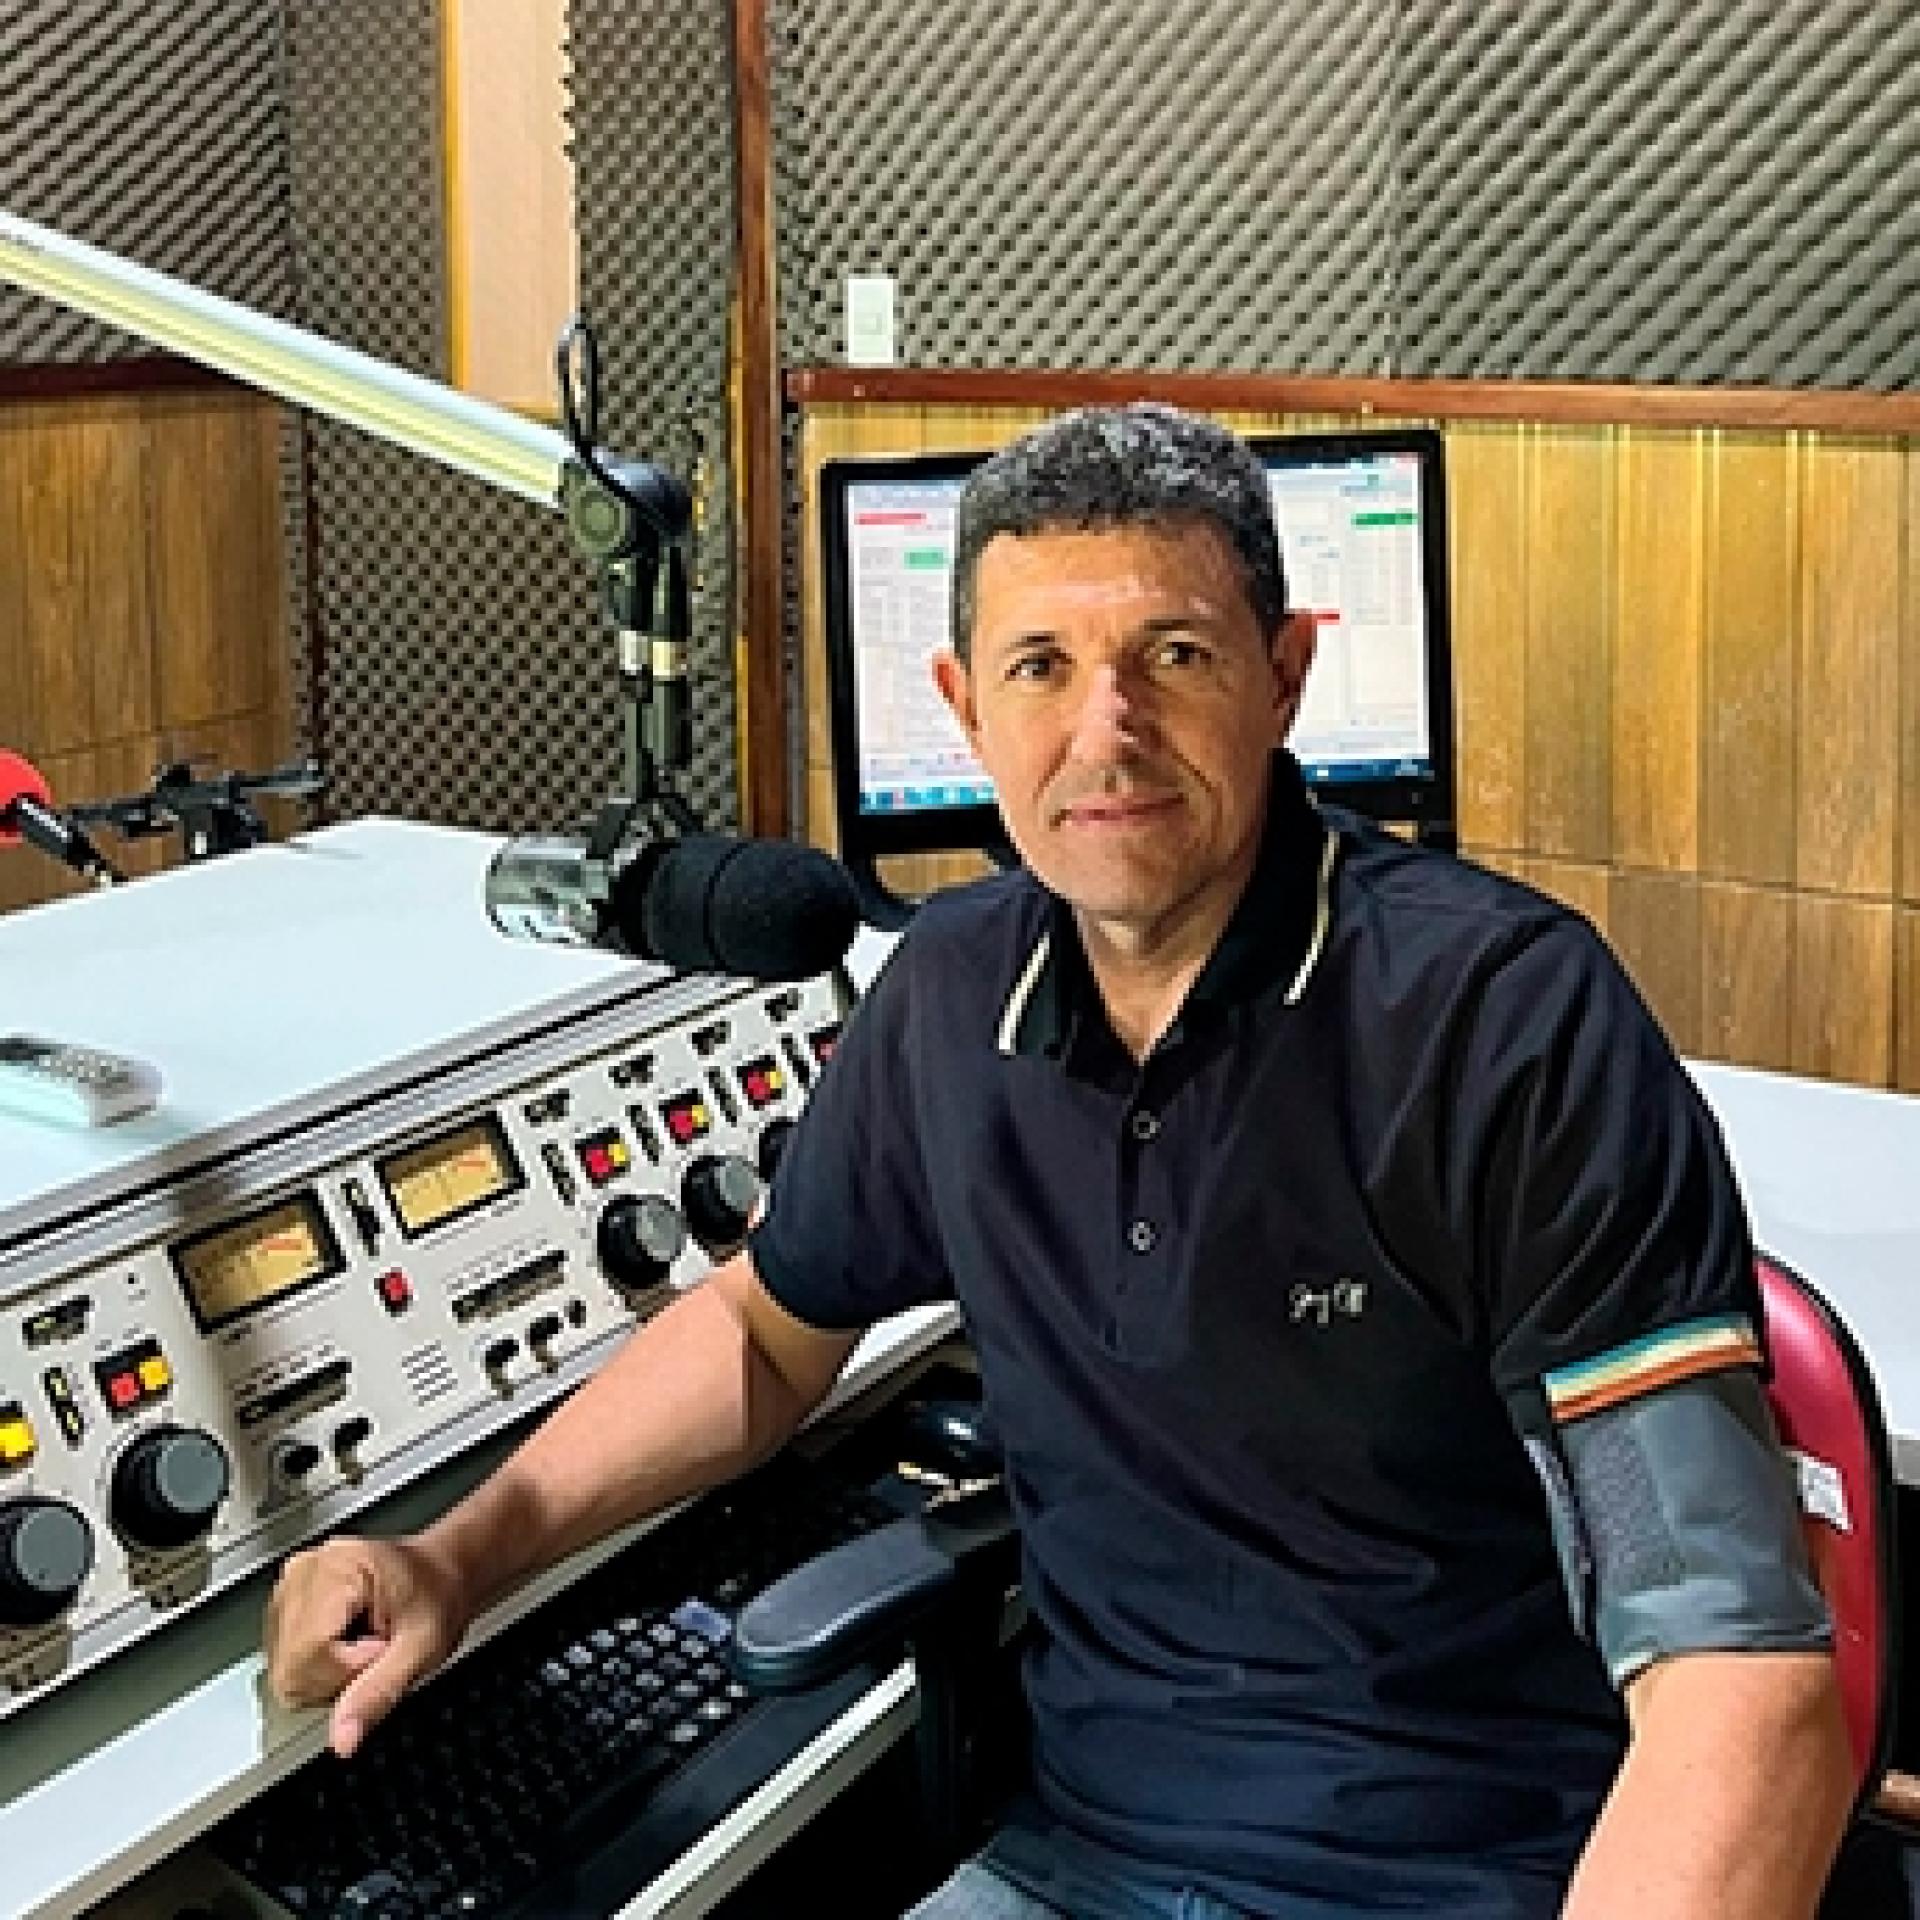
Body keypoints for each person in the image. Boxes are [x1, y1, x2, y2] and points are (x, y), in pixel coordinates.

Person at [267, 405, 1850, 1919]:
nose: (1108, 731)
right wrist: (459, 1553)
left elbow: (1737, 1673)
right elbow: (762, 1333)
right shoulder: (949, 994)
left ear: (1287, 676)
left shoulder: (1500, 1021)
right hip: (1077, 1860)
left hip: (1468, 1871)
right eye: (1043, 668)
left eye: (1175, 655)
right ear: (964, 708)